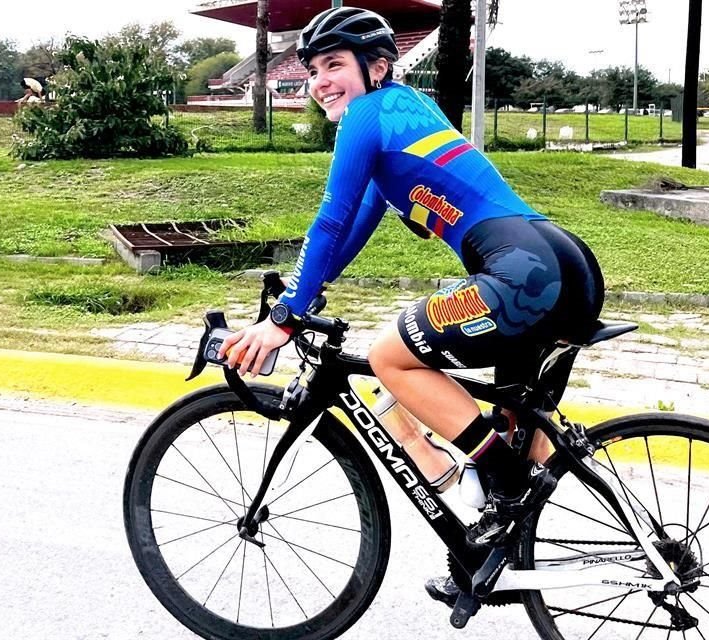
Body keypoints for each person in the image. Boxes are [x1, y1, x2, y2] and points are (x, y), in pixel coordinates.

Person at [218, 6, 604, 605]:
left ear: (375, 67)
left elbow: (329, 220)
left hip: (520, 276)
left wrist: (284, 319)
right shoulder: (405, 110)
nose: (320, 81)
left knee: (389, 357)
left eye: (334, 65)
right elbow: (353, 231)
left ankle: (496, 480)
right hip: (564, 264)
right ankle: (495, 555)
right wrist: (305, 295)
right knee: (517, 432)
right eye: (313, 69)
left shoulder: (367, 116)